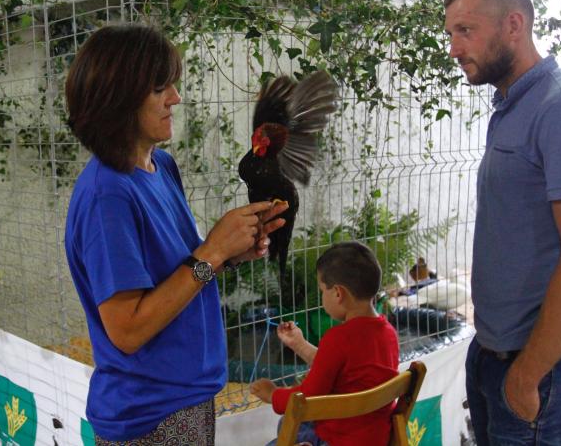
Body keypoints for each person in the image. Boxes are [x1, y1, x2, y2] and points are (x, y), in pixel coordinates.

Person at [63, 24, 288, 445]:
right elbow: (127, 331)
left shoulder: (160, 166)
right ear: (119, 97)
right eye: (159, 88)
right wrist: (213, 251)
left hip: (186, 396)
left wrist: (232, 251)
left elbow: (179, 275)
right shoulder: (106, 195)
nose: (175, 98)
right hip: (149, 414)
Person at [444, 0, 561, 444]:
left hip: (543, 366)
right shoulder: (513, 105)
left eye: (465, 31)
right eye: (450, 33)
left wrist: (527, 372)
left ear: (513, 25)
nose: (455, 48)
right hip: (496, 352)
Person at [250, 241, 399, 446]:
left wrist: (272, 394)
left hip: (338, 439)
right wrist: (300, 344)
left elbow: (307, 399)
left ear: (338, 293)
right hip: (377, 435)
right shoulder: (388, 333)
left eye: (322, 290)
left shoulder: (338, 338)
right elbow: (345, 370)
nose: (322, 296)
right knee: (287, 423)